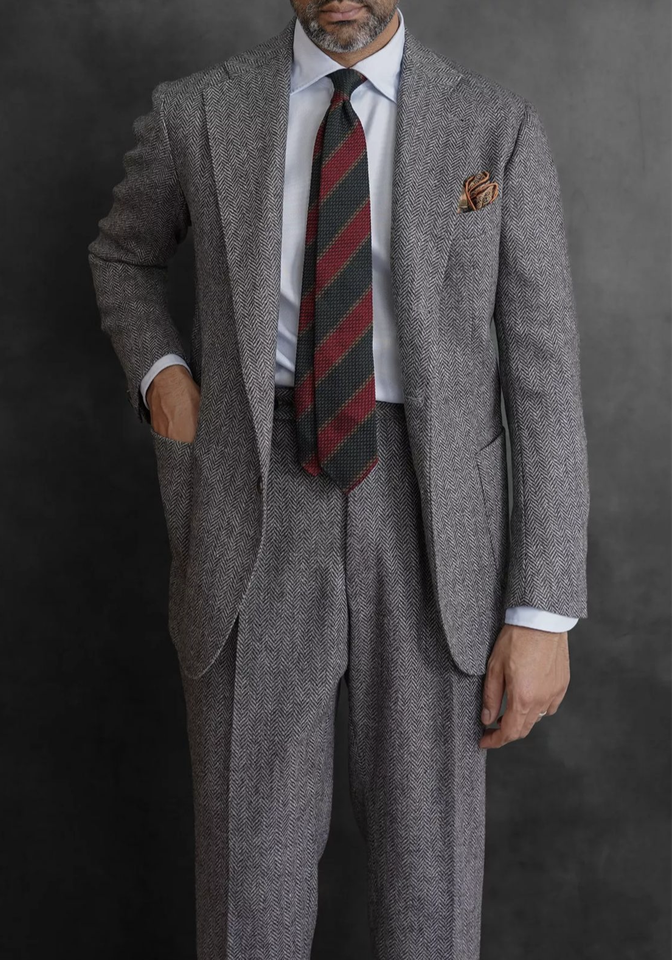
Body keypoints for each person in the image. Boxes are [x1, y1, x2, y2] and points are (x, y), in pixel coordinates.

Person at [87, 2, 589, 957]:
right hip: (252, 491)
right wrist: (164, 380)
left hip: (434, 520)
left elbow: (543, 371)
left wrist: (543, 611)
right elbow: (122, 255)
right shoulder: (199, 111)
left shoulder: (496, 129)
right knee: (250, 878)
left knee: (430, 882)